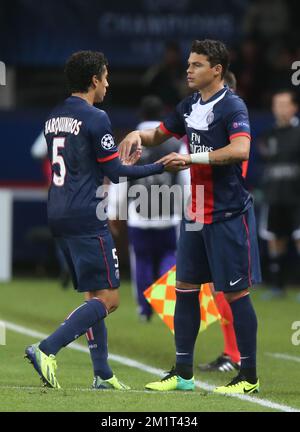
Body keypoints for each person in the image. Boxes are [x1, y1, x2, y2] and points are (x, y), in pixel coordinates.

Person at [24, 50, 173, 390]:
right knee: (110, 300)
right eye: (105, 76)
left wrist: (124, 159)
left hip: (58, 211)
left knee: (94, 295)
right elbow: (116, 172)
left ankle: (102, 373)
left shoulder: (53, 116)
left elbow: (88, 165)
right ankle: (46, 349)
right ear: (94, 80)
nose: (107, 83)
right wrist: (160, 165)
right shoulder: (96, 117)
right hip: (85, 214)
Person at [119, 39, 261, 394]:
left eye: (196, 64)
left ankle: (249, 377)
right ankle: (182, 374)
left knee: (236, 294)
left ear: (216, 70)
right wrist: (138, 135)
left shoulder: (232, 106)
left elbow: (241, 149)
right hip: (195, 214)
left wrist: (192, 159)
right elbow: (158, 135)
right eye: (188, 63)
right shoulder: (187, 106)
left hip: (228, 213)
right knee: (185, 290)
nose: (188, 69)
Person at [108, 95, 189, 322]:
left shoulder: (131, 142)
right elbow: (186, 180)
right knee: (169, 258)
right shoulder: (175, 142)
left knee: (141, 261)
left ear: (140, 116)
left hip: (139, 215)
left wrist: (114, 212)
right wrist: (187, 208)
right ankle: (167, 305)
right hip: (169, 214)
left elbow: (120, 179)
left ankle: (145, 309)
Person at [258, 90, 300, 299]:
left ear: (294, 107)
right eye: (277, 105)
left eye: (285, 104)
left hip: (297, 197)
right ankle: (277, 286)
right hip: (275, 196)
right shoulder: (270, 135)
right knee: (275, 239)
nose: (281, 109)